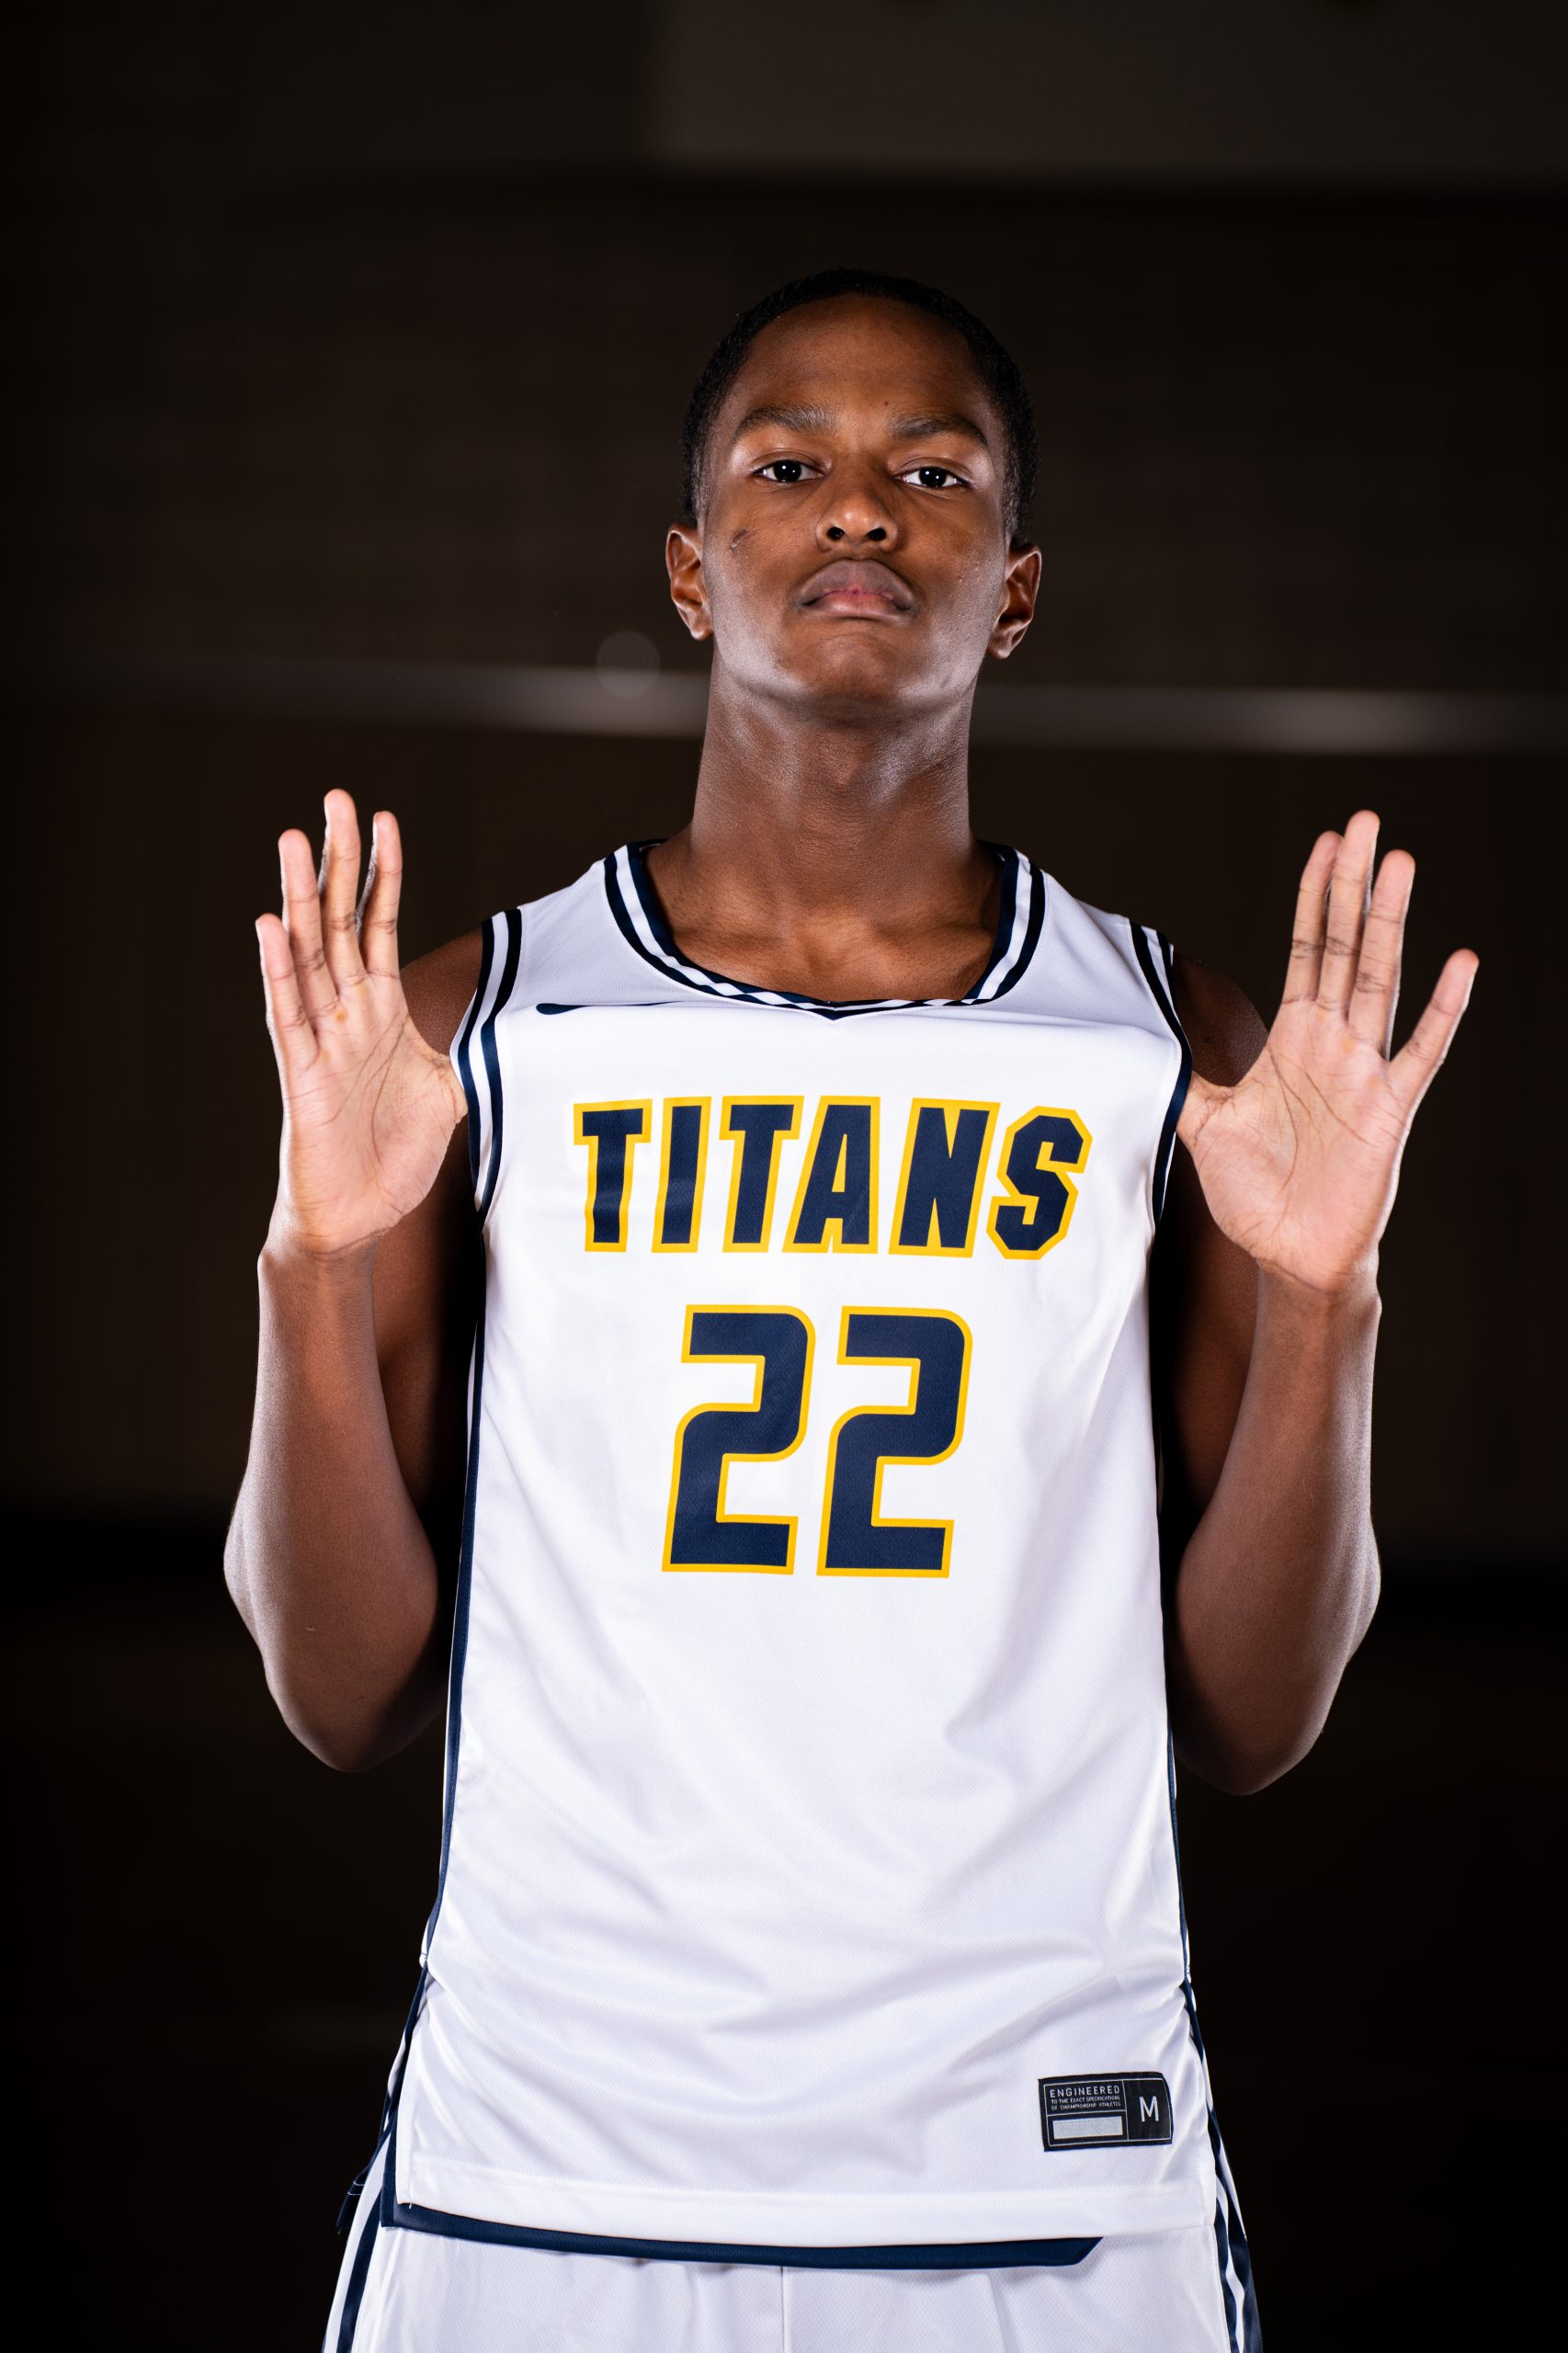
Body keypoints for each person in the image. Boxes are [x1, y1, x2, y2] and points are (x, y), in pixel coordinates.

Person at [226, 269, 1476, 2353]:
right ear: (688, 567)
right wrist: (311, 1261)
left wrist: (1326, 1297)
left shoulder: (1164, 1047)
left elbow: (1257, 1721)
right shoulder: (476, 1028)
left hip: (1043, 2181)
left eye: (936, 473)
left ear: (1017, 594)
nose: (862, 509)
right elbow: (334, 1688)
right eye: (788, 463)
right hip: (546, 2165)